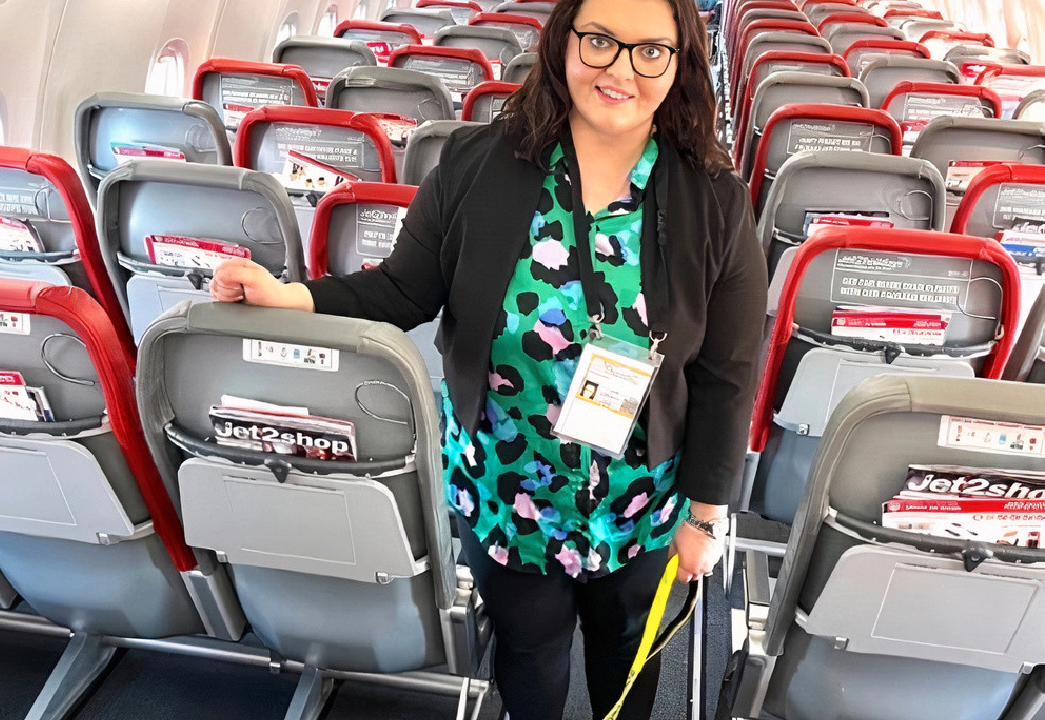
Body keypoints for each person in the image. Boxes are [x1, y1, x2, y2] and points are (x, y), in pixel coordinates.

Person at [211, 0, 767, 715]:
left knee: (625, 654)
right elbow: (404, 288)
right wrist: (290, 298)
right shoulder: (478, 165)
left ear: (679, 60)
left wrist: (703, 515)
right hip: (507, 490)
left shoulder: (713, 199)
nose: (622, 68)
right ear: (564, 42)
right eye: (600, 40)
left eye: (649, 51)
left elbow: (727, 370)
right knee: (528, 657)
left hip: (641, 498)